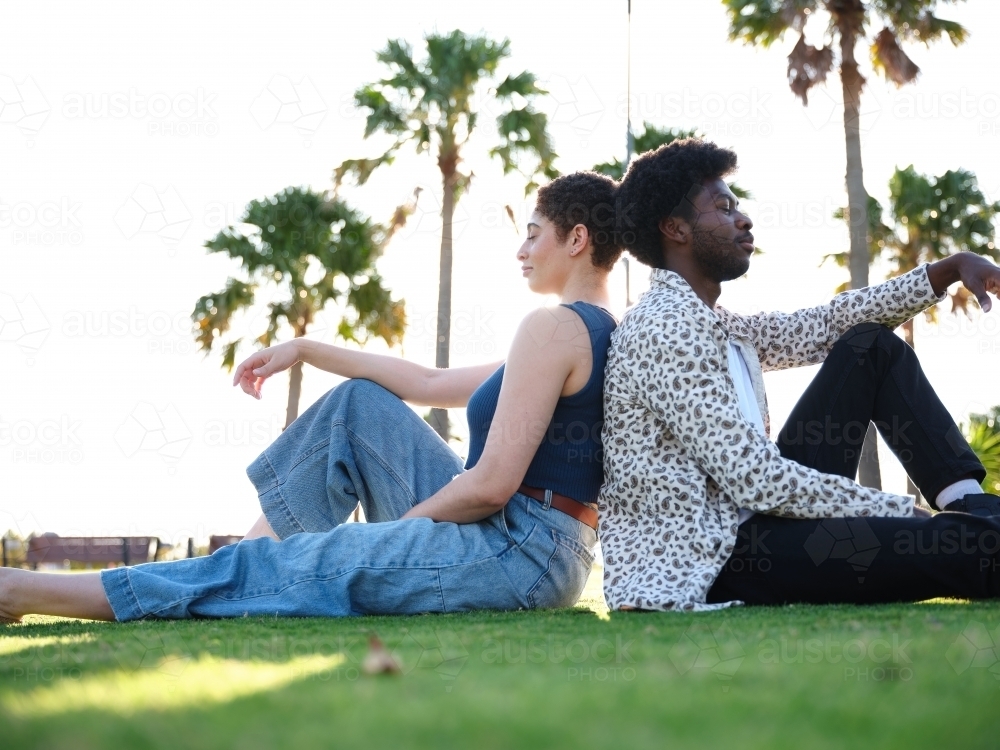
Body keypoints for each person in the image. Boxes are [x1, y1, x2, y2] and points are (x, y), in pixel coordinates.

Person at [0, 172, 620, 623]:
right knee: (358, 406)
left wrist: (394, 535)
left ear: (577, 240)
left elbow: (489, 486)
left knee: (315, 560)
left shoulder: (555, 327)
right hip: (534, 545)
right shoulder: (579, 331)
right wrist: (306, 349)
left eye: (534, 234)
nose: (521, 249)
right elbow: (429, 384)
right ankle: (243, 564)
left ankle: (20, 591)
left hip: (518, 550)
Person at [599, 138, 1000, 612]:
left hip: (764, 525)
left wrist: (948, 270)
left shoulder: (718, 323)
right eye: (723, 208)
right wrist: (895, 510)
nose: (743, 219)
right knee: (975, 548)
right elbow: (756, 480)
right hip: (721, 558)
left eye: (738, 207)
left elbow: (827, 325)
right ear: (675, 228)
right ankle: (979, 524)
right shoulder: (665, 326)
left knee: (868, 346)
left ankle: (972, 505)